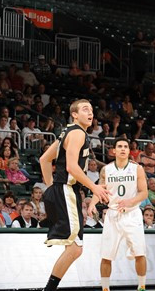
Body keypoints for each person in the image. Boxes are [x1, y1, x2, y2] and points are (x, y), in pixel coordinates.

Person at [39, 99, 109, 291]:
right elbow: (71, 167)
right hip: (66, 190)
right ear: (75, 114)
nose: (91, 113)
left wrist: (50, 188)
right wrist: (94, 188)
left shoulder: (67, 133)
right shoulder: (77, 132)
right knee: (76, 248)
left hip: (62, 190)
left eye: (92, 110)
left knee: (73, 248)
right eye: (85, 109)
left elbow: (44, 159)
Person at [88, 138, 148, 291]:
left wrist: (130, 201)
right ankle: (105, 288)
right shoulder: (106, 169)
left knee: (140, 252)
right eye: (119, 146)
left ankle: (141, 287)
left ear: (129, 151)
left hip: (132, 213)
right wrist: (92, 204)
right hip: (113, 214)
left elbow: (144, 192)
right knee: (106, 255)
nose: (123, 149)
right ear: (113, 150)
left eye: (125, 147)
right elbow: (99, 190)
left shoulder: (137, 169)